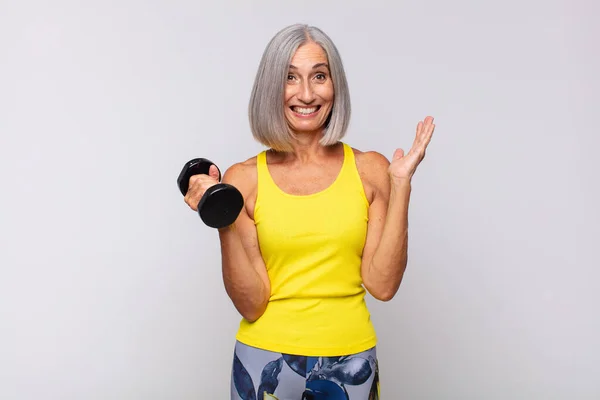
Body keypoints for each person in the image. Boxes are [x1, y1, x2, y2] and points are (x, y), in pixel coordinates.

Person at [184, 23, 435, 400]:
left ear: (335, 86)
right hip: (263, 356)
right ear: (272, 87)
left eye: (319, 76)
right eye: (290, 78)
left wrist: (401, 185)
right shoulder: (244, 179)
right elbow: (252, 302)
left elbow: (382, 285)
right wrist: (222, 214)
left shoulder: (370, 170)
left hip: (350, 360)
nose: (306, 93)